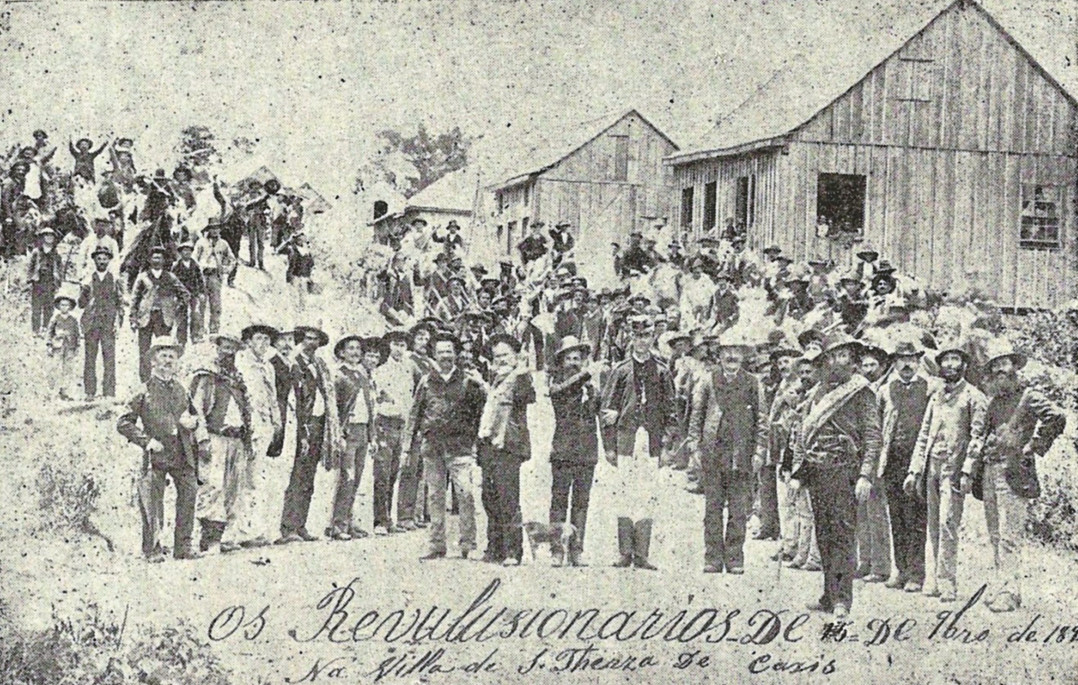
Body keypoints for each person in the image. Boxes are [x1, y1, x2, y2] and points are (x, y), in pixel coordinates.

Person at [789, 331, 881, 618]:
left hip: (845, 471)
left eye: (844, 355)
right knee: (824, 535)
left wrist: (866, 474)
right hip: (818, 471)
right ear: (825, 360)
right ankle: (829, 595)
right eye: (833, 356)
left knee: (842, 536)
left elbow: (872, 436)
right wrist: (797, 474)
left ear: (852, 359)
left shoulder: (860, 391)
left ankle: (842, 599)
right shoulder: (818, 391)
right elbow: (804, 436)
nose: (838, 361)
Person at [977, 339, 1066, 612]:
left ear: (1015, 366)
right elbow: (986, 432)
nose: (1001, 370)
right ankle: (1000, 585)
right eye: (996, 366)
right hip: (991, 471)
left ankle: (1010, 593)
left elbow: (1057, 417)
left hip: (1015, 473)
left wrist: (1035, 446)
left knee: (1010, 537)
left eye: (1005, 364)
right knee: (994, 534)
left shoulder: (1030, 396)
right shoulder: (994, 402)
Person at [904, 338, 987, 603]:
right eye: (946, 360)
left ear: (964, 364)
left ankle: (947, 581)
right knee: (932, 524)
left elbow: (977, 438)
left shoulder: (974, 397)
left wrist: (967, 471)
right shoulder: (936, 396)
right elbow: (924, 433)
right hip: (932, 468)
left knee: (948, 523)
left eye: (956, 359)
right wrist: (914, 470)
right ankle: (934, 578)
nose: (951, 365)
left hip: (954, 470)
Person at [116, 336, 205, 562]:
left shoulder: (181, 389)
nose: (168, 361)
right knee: (152, 501)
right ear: (153, 360)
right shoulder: (143, 390)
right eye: (163, 356)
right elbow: (123, 422)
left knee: (189, 495)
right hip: (156, 454)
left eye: (172, 357)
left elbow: (194, 416)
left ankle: (183, 547)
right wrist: (147, 441)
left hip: (183, 452)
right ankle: (153, 549)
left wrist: (192, 423)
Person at [687, 329, 768, 574]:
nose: (731, 356)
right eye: (726, 352)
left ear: (743, 356)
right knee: (712, 508)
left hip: (741, 454)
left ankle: (734, 558)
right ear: (719, 354)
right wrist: (694, 444)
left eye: (736, 352)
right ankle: (712, 557)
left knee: (738, 510)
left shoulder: (753, 383)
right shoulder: (708, 380)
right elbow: (697, 413)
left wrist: (759, 451)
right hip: (714, 452)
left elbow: (762, 420)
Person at [601, 314, 675, 570]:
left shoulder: (662, 371)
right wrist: (609, 446)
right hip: (626, 439)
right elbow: (607, 410)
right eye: (637, 336)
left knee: (647, 494)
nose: (642, 341)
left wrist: (666, 446)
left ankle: (642, 554)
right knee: (624, 493)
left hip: (651, 441)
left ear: (653, 336)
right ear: (631, 338)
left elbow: (671, 412)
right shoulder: (620, 371)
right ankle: (625, 552)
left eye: (646, 335)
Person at [404, 332, 486, 560]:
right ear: (434, 354)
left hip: (460, 447)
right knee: (435, 497)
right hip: (433, 448)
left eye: (449, 351)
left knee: (466, 494)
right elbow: (415, 414)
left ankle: (468, 543)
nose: (445, 356)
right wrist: (407, 447)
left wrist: (477, 444)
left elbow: (480, 414)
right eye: (441, 352)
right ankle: (436, 544)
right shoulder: (426, 380)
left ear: (456, 353)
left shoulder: (469, 381)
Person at [190, 333, 253, 554]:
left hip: (237, 439)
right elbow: (196, 409)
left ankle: (226, 537)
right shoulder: (207, 376)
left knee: (233, 488)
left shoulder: (238, 379)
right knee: (213, 487)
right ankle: (209, 540)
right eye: (225, 348)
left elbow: (246, 410)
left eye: (233, 349)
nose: (228, 353)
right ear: (217, 349)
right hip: (215, 437)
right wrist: (202, 438)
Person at [876, 340, 931, 593]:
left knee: (916, 519)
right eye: (901, 359)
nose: (907, 363)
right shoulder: (886, 390)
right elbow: (877, 426)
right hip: (893, 463)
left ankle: (916, 575)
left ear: (919, 362)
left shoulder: (930, 388)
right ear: (895, 363)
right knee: (896, 518)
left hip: (918, 464)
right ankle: (901, 570)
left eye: (911, 359)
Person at [279, 325, 342, 544]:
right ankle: (288, 527)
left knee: (308, 477)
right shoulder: (294, 363)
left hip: (319, 424)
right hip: (302, 424)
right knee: (298, 475)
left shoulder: (319, 364)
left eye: (315, 339)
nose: (311, 342)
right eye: (307, 338)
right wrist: (302, 428)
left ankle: (301, 524)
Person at [477, 334, 535, 566]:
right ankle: (495, 547)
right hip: (489, 444)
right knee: (489, 497)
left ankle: (513, 550)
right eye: (497, 356)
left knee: (508, 498)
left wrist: (520, 371)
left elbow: (527, 397)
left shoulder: (520, 377)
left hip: (509, 444)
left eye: (505, 354)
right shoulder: (496, 379)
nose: (500, 359)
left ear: (515, 355)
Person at [548, 336, 600, 567]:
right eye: (568, 358)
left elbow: (599, 409)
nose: (573, 363)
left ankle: (576, 550)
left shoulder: (589, 388)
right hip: (563, 451)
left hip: (586, 452)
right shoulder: (558, 386)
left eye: (577, 358)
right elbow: (559, 392)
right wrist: (586, 375)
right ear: (561, 362)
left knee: (581, 503)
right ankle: (557, 550)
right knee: (559, 501)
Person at [234, 323, 283, 547]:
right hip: (248, 426)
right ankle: (238, 531)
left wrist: (276, 423)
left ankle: (253, 529)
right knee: (243, 478)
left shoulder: (268, 366)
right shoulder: (241, 361)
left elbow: (272, 396)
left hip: (265, 426)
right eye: (258, 339)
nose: (262, 344)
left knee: (257, 479)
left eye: (266, 340)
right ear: (249, 341)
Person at [329, 335, 375, 541]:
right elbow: (335, 409)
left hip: (364, 431)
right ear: (341, 352)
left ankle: (349, 521)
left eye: (358, 349)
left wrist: (372, 435)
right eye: (350, 348)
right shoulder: (339, 376)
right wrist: (338, 433)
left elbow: (370, 407)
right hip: (348, 432)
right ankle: (338, 525)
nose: (355, 352)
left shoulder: (363, 375)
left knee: (356, 479)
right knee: (346, 478)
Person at [855, 343, 893, 583]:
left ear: (882, 367)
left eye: (873, 365)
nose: (869, 369)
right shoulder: (859, 389)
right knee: (861, 512)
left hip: (878, 457)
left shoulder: (885, 390)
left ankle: (881, 566)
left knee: (877, 513)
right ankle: (865, 561)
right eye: (865, 365)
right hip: (860, 456)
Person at [371, 329, 412, 535]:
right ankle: (379, 520)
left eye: (403, 345)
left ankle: (388, 519)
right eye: (396, 344)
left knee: (394, 471)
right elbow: (378, 398)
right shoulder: (381, 370)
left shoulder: (407, 370)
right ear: (389, 346)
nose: (399, 348)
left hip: (400, 424)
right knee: (382, 472)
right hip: (384, 423)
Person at [129, 246, 191, 382]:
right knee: (144, 351)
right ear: (149, 260)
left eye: (160, 257)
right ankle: (144, 381)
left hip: (164, 319)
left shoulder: (170, 277)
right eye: (154, 257)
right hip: (145, 318)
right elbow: (134, 299)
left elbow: (185, 294)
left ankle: (164, 378)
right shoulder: (143, 277)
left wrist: (176, 308)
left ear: (164, 260)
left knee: (164, 351)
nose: (157, 260)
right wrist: (133, 318)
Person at [396, 321, 435, 530]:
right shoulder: (409, 361)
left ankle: (421, 512)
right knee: (410, 468)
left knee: (425, 469)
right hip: (413, 418)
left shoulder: (430, 362)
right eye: (420, 337)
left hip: (428, 421)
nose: (424, 341)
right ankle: (405, 515)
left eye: (427, 338)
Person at [80, 245, 124, 400]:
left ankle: (109, 393)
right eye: (99, 258)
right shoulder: (88, 280)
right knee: (90, 358)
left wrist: (118, 323)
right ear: (94, 260)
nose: (102, 261)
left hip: (108, 324)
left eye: (105, 258)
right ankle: (89, 392)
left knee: (109, 359)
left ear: (109, 261)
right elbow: (81, 304)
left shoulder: (115, 280)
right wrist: (84, 291)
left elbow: (120, 303)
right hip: (91, 324)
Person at [193, 221, 236, 336]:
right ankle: (199, 330)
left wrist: (226, 269)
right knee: (200, 303)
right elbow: (194, 258)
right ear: (208, 229)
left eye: (217, 228)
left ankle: (214, 330)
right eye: (212, 228)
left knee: (216, 304)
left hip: (215, 275)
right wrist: (198, 270)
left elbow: (232, 259)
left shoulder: (223, 244)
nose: (215, 231)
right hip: (202, 275)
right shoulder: (201, 242)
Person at [45, 284, 82, 401]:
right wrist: (49, 345)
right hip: (58, 346)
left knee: (68, 369)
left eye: (67, 305)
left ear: (70, 307)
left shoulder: (74, 319)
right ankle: (53, 390)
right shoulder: (55, 318)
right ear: (58, 306)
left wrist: (77, 347)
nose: (64, 307)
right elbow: (49, 332)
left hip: (70, 346)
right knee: (56, 367)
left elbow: (77, 334)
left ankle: (65, 391)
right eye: (62, 305)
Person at [27, 227, 63, 335]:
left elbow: (59, 268)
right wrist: (30, 279)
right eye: (46, 235)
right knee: (36, 306)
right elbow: (31, 267)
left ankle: (46, 328)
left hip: (50, 281)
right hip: (38, 281)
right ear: (42, 238)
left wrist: (58, 281)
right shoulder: (36, 252)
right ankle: (35, 330)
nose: (49, 238)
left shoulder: (56, 253)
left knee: (49, 307)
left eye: (51, 236)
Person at [266, 330, 295, 459]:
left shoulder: (293, 365)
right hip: (275, 415)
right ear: (275, 343)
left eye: (290, 339)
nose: (287, 344)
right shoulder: (271, 364)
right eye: (283, 340)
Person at [171, 240, 205, 346]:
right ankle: (181, 339)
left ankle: (195, 336)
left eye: (189, 251)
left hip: (194, 293)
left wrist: (201, 292)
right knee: (181, 317)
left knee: (195, 315)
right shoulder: (176, 266)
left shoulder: (195, 265)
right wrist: (175, 295)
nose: (187, 253)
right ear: (180, 253)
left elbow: (200, 280)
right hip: (181, 295)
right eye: (184, 251)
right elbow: (172, 281)